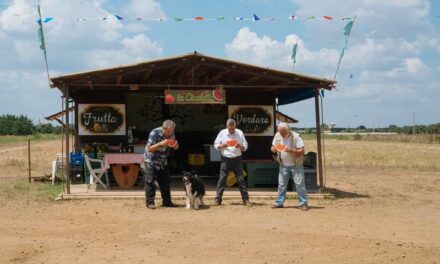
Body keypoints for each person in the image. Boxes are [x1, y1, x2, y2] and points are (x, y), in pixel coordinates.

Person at [271, 122, 308, 211]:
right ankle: (279, 202)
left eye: (283, 133)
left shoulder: (296, 137)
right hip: (283, 164)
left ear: (289, 130)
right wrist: (274, 148)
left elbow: (302, 151)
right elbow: (272, 148)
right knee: (281, 185)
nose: (282, 134)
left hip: (296, 164)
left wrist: (290, 150)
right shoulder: (277, 135)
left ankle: (303, 203)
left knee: (299, 184)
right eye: (280, 132)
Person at [142, 120, 179, 209]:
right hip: (151, 160)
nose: (171, 133)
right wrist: (160, 144)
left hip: (163, 161)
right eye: (169, 131)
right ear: (164, 129)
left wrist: (175, 145)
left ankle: (167, 202)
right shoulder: (154, 133)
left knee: (165, 182)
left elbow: (176, 147)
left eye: (172, 131)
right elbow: (149, 148)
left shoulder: (172, 134)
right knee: (150, 181)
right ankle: (150, 202)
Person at [214, 119, 250, 206]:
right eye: (230, 129)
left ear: (235, 126)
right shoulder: (222, 133)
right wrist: (222, 145)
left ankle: (245, 199)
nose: (231, 130)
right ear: (227, 127)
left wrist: (241, 146)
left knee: (240, 179)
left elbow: (245, 145)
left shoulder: (239, 133)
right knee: (222, 179)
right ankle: (218, 199)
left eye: (233, 129)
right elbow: (215, 144)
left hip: (237, 159)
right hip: (225, 159)